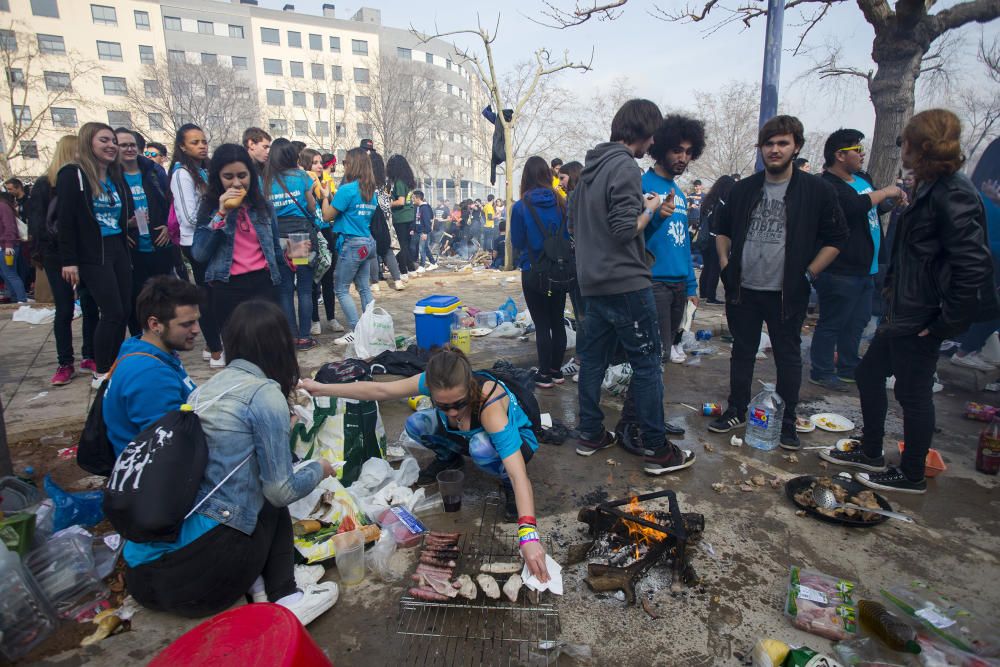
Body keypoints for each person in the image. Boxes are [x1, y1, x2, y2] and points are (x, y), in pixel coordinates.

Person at [124, 299, 339, 623]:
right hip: (192, 580)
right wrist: (318, 468)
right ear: (281, 345)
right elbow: (279, 491)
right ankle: (286, 596)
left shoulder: (205, 391)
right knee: (274, 494)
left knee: (247, 489)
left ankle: (257, 587)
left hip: (143, 574)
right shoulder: (265, 394)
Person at [822, 109, 997, 493]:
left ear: (922, 146)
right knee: (869, 375)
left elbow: (973, 266)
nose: (901, 148)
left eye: (906, 142)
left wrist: (942, 324)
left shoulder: (954, 193)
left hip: (923, 317)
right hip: (902, 313)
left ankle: (912, 473)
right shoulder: (931, 188)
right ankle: (870, 451)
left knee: (913, 393)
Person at [299, 346, 551, 581]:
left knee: (481, 448)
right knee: (416, 424)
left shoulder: (489, 404)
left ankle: (501, 481)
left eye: (459, 403)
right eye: (443, 405)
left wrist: (528, 534)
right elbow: (381, 391)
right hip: (468, 434)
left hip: (517, 444)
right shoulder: (431, 382)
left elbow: (520, 475)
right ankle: (449, 457)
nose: (452, 411)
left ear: (469, 387)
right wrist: (321, 388)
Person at [570, 99, 696, 476]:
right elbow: (625, 228)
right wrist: (651, 209)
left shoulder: (589, 171)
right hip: (626, 282)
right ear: (643, 132)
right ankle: (657, 450)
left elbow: (576, 228)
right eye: (652, 134)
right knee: (648, 364)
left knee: (591, 361)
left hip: (592, 284)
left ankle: (590, 433)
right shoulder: (625, 165)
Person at [711, 115, 848, 451]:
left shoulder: (817, 190)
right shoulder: (744, 189)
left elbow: (836, 238)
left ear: (796, 147)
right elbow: (723, 229)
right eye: (769, 143)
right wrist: (727, 266)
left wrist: (809, 274)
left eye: (782, 143)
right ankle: (736, 409)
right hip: (743, 288)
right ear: (761, 148)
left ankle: (786, 421)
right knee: (742, 351)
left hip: (787, 292)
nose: (775, 150)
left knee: (787, 356)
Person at [810, 129, 905, 391]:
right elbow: (853, 208)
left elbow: (873, 207)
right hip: (840, 269)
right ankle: (821, 370)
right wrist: (886, 191)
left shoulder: (862, 179)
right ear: (840, 155)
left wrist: (892, 201)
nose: (863, 155)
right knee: (832, 321)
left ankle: (848, 367)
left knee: (858, 320)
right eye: (857, 151)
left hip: (868, 268)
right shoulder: (827, 184)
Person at [57, 122, 134, 386]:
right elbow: (65, 221)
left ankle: (115, 363)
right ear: (88, 141)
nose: (111, 145)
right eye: (104, 140)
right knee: (111, 311)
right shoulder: (73, 174)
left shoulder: (115, 176)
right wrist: (69, 261)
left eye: (113, 140)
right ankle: (101, 370)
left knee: (124, 311)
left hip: (118, 248)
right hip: (93, 253)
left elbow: (123, 212)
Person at [27, 135, 99, 385]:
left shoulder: (86, 182)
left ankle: (89, 354)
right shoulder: (46, 185)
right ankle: (64, 362)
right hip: (57, 257)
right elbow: (37, 224)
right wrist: (46, 255)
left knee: (90, 306)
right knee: (65, 308)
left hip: (85, 254)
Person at [103, 276, 200, 456]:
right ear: (155, 324)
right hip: (152, 478)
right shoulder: (149, 373)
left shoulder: (141, 348)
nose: (196, 330)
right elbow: (169, 447)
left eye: (196, 321)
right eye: (187, 324)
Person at [192, 144, 284, 332]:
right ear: (218, 177)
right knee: (237, 348)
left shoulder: (264, 207)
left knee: (269, 346)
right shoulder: (209, 207)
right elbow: (199, 254)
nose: (236, 183)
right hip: (228, 286)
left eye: (242, 176)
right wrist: (221, 214)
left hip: (264, 283)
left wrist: (288, 253)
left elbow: (275, 248)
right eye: (228, 177)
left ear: (251, 174)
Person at [642, 115, 704, 366]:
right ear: (661, 148)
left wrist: (691, 285)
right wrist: (654, 217)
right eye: (677, 150)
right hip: (653, 283)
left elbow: (683, 244)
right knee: (653, 358)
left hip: (679, 286)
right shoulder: (643, 184)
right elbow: (629, 237)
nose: (683, 158)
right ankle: (643, 406)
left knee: (664, 356)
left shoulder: (678, 192)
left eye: (689, 152)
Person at [511, 156, 571, 388]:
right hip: (559, 271)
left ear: (525, 177)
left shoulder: (520, 206)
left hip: (533, 271)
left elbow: (517, 240)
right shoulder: (561, 202)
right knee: (557, 321)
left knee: (542, 324)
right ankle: (557, 371)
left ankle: (544, 374)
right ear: (548, 175)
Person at [169, 123, 224, 367]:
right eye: (195, 142)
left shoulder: (205, 171)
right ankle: (215, 349)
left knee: (217, 295)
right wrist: (218, 218)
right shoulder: (181, 174)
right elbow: (189, 216)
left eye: (203, 141)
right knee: (207, 298)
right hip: (195, 242)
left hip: (212, 238)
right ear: (182, 146)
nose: (202, 146)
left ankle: (215, 344)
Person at [116, 128, 175, 335]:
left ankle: (165, 340)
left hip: (159, 245)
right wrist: (123, 228)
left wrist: (169, 227)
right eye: (123, 145)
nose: (129, 149)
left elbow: (170, 202)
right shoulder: (110, 177)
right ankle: (140, 339)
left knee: (162, 298)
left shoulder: (153, 172)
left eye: (132, 144)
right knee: (135, 300)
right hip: (131, 249)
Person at [265, 139, 321, 351]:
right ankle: (305, 337)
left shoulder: (266, 180)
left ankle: (291, 336)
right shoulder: (301, 177)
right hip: (299, 236)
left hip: (277, 236)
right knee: (305, 289)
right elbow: (311, 205)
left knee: (285, 290)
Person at [329, 148, 378, 346]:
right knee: (364, 287)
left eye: (346, 162)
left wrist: (325, 196)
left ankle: (356, 330)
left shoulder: (347, 190)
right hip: (367, 242)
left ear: (353, 165)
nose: (344, 165)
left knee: (340, 288)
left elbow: (327, 215)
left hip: (352, 244)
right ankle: (370, 329)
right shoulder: (370, 192)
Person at [298, 148, 342, 336]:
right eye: (315, 163)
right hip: (303, 235)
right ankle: (313, 320)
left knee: (327, 278)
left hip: (325, 233)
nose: (318, 166)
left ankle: (331, 318)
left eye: (320, 163)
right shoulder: (301, 183)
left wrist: (326, 193)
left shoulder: (326, 182)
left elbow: (329, 213)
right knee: (308, 282)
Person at [696, 176, 736, 305]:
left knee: (707, 267)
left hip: (703, 238)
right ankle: (711, 296)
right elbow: (718, 223)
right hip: (714, 238)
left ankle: (703, 293)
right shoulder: (721, 204)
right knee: (714, 268)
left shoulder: (708, 201)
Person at [368, 151, 404, 291]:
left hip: (372, 217)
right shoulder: (385, 181)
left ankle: (375, 283)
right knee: (387, 250)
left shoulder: (366, 182)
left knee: (373, 252)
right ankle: (397, 280)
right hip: (386, 218)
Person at [387, 154, 417, 277]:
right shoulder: (408, 181)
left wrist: (388, 203)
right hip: (409, 215)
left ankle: (404, 271)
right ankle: (411, 269)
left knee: (400, 246)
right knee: (406, 245)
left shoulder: (399, 182)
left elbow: (401, 201)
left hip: (400, 217)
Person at [0, 192, 27, 302]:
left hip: (7, 246)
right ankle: (15, 297)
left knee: (10, 273)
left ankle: (21, 299)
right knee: (5, 273)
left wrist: (9, 244)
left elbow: (9, 226)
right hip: (5, 245)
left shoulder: (3, 207)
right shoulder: (4, 206)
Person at [413, 190, 437, 270]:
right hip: (419, 231)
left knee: (421, 249)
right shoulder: (418, 207)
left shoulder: (425, 208)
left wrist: (425, 232)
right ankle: (433, 263)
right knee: (425, 248)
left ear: (418, 198)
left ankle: (422, 266)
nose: (413, 199)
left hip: (424, 232)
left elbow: (427, 221)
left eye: (414, 198)